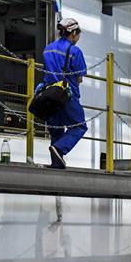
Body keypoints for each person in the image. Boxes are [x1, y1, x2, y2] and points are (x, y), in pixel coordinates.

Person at [42, 18, 87, 169]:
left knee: (56, 129)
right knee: (79, 126)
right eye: (78, 35)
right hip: (67, 94)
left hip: (49, 94)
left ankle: (56, 162)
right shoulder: (75, 51)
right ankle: (60, 149)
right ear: (73, 33)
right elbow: (79, 77)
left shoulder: (48, 49)